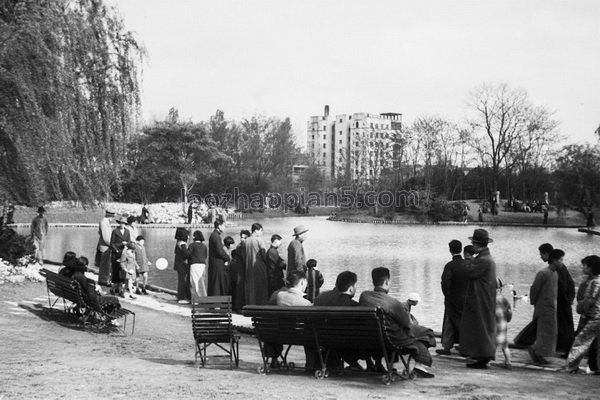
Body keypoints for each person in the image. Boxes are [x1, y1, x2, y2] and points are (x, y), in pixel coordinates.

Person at [359, 267, 435, 378]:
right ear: (386, 282)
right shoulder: (393, 303)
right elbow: (406, 323)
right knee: (427, 333)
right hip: (391, 340)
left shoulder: (364, 296)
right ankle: (419, 365)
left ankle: (402, 366)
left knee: (413, 333)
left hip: (372, 339)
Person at [459, 228, 497, 369]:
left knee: (481, 327)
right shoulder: (485, 258)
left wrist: (468, 259)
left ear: (476, 244)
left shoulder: (483, 260)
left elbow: (469, 271)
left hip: (481, 299)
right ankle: (480, 355)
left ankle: (483, 356)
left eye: (473, 243)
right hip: (483, 297)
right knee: (480, 326)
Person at [539, 243, 576, 355]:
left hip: (563, 302)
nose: (541, 257)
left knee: (564, 326)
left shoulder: (557, 269)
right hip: (563, 301)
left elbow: (564, 286)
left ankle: (564, 348)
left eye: (542, 254)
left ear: (548, 254)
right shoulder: (556, 268)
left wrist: (565, 302)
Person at [566, 254, 600, 373]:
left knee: (581, 341)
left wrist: (581, 307)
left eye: (584, 266)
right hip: (595, 316)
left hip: (593, 317)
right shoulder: (593, 281)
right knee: (595, 343)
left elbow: (591, 299)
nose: (583, 268)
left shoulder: (595, 282)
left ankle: (572, 366)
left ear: (591, 267)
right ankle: (596, 367)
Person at [527, 249, 560, 364]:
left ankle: (541, 354)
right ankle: (537, 352)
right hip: (543, 307)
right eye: (560, 260)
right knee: (542, 332)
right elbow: (534, 289)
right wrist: (534, 302)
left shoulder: (555, 274)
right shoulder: (543, 273)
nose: (562, 262)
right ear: (554, 260)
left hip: (551, 308)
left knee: (550, 333)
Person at [438, 239, 468, 355]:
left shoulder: (450, 266)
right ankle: (464, 346)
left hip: (452, 298)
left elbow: (445, 283)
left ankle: (447, 347)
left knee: (449, 322)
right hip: (465, 298)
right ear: (461, 249)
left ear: (450, 250)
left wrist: (447, 296)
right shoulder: (467, 264)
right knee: (464, 322)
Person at [244, 222, 268, 305]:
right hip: (259, 266)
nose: (261, 233)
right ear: (256, 231)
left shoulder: (246, 241)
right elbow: (264, 254)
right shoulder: (259, 240)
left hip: (248, 266)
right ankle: (260, 305)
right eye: (261, 231)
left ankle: (251, 304)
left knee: (251, 287)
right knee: (260, 286)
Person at [208, 219, 231, 296]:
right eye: (223, 225)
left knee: (215, 282)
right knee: (217, 283)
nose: (224, 227)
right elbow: (219, 250)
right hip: (217, 262)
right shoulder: (216, 236)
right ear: (219, 226)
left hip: (214, 262)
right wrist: (227, 258)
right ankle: (217, 302)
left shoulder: (214, 235)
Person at [109, 215, 130, 297]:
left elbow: (129, 241)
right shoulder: (115, 231)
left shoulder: (127, 231)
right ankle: (114, 288)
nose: (122, 225)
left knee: (122, 271)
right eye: (121, 223)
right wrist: (118, 247)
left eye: (124, 223)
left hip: (124, 253)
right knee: (116, 271)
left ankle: (120, 289)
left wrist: (127, 245)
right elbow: (112, 243)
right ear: (119, 223)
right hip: (116, 254)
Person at [230, 230, 250, 312]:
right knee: (240, 287)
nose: (242, 239)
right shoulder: (240, 247)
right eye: (241, 237)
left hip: (245, 269)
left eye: (244, 238)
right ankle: (239, 306)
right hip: (240, 270)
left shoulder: (246, 246)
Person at [496, 279, 513, 369]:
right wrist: (508, 319)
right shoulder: (504, 300)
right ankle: (508, 362)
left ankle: (489, 360)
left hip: (494, 325)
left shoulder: (490, 300)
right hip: (503, 324)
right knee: (505, 346)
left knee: (493, 344)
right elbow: (509, 312)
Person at [95, 210, 115, 287]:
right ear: (109, 216)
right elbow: (106, 237)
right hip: (105, 247)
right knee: (104, 265)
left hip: (106, 246)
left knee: (106, 265)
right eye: (112, 217)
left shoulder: (105, 222)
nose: (112, 219)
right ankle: (103, 280)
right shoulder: (104, 222)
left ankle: (104, 279)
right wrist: (112, 245)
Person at [188, 230, 208, 302]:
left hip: (194, 264)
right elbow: (205, 256)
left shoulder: (192, 245)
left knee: (194, 282)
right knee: (202, 282)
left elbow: (188, 254)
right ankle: (204, 297)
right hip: (203, 265)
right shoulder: (204, 246)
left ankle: (196, 299)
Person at [174, 227, 191, 304]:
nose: (188, 236)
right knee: (183, 281)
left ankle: (180, 296)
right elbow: (186, 254)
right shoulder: (183, 244)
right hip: (182, 265)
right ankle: (182, 297)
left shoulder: (178, 242)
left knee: (181, 280)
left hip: (178, 264)